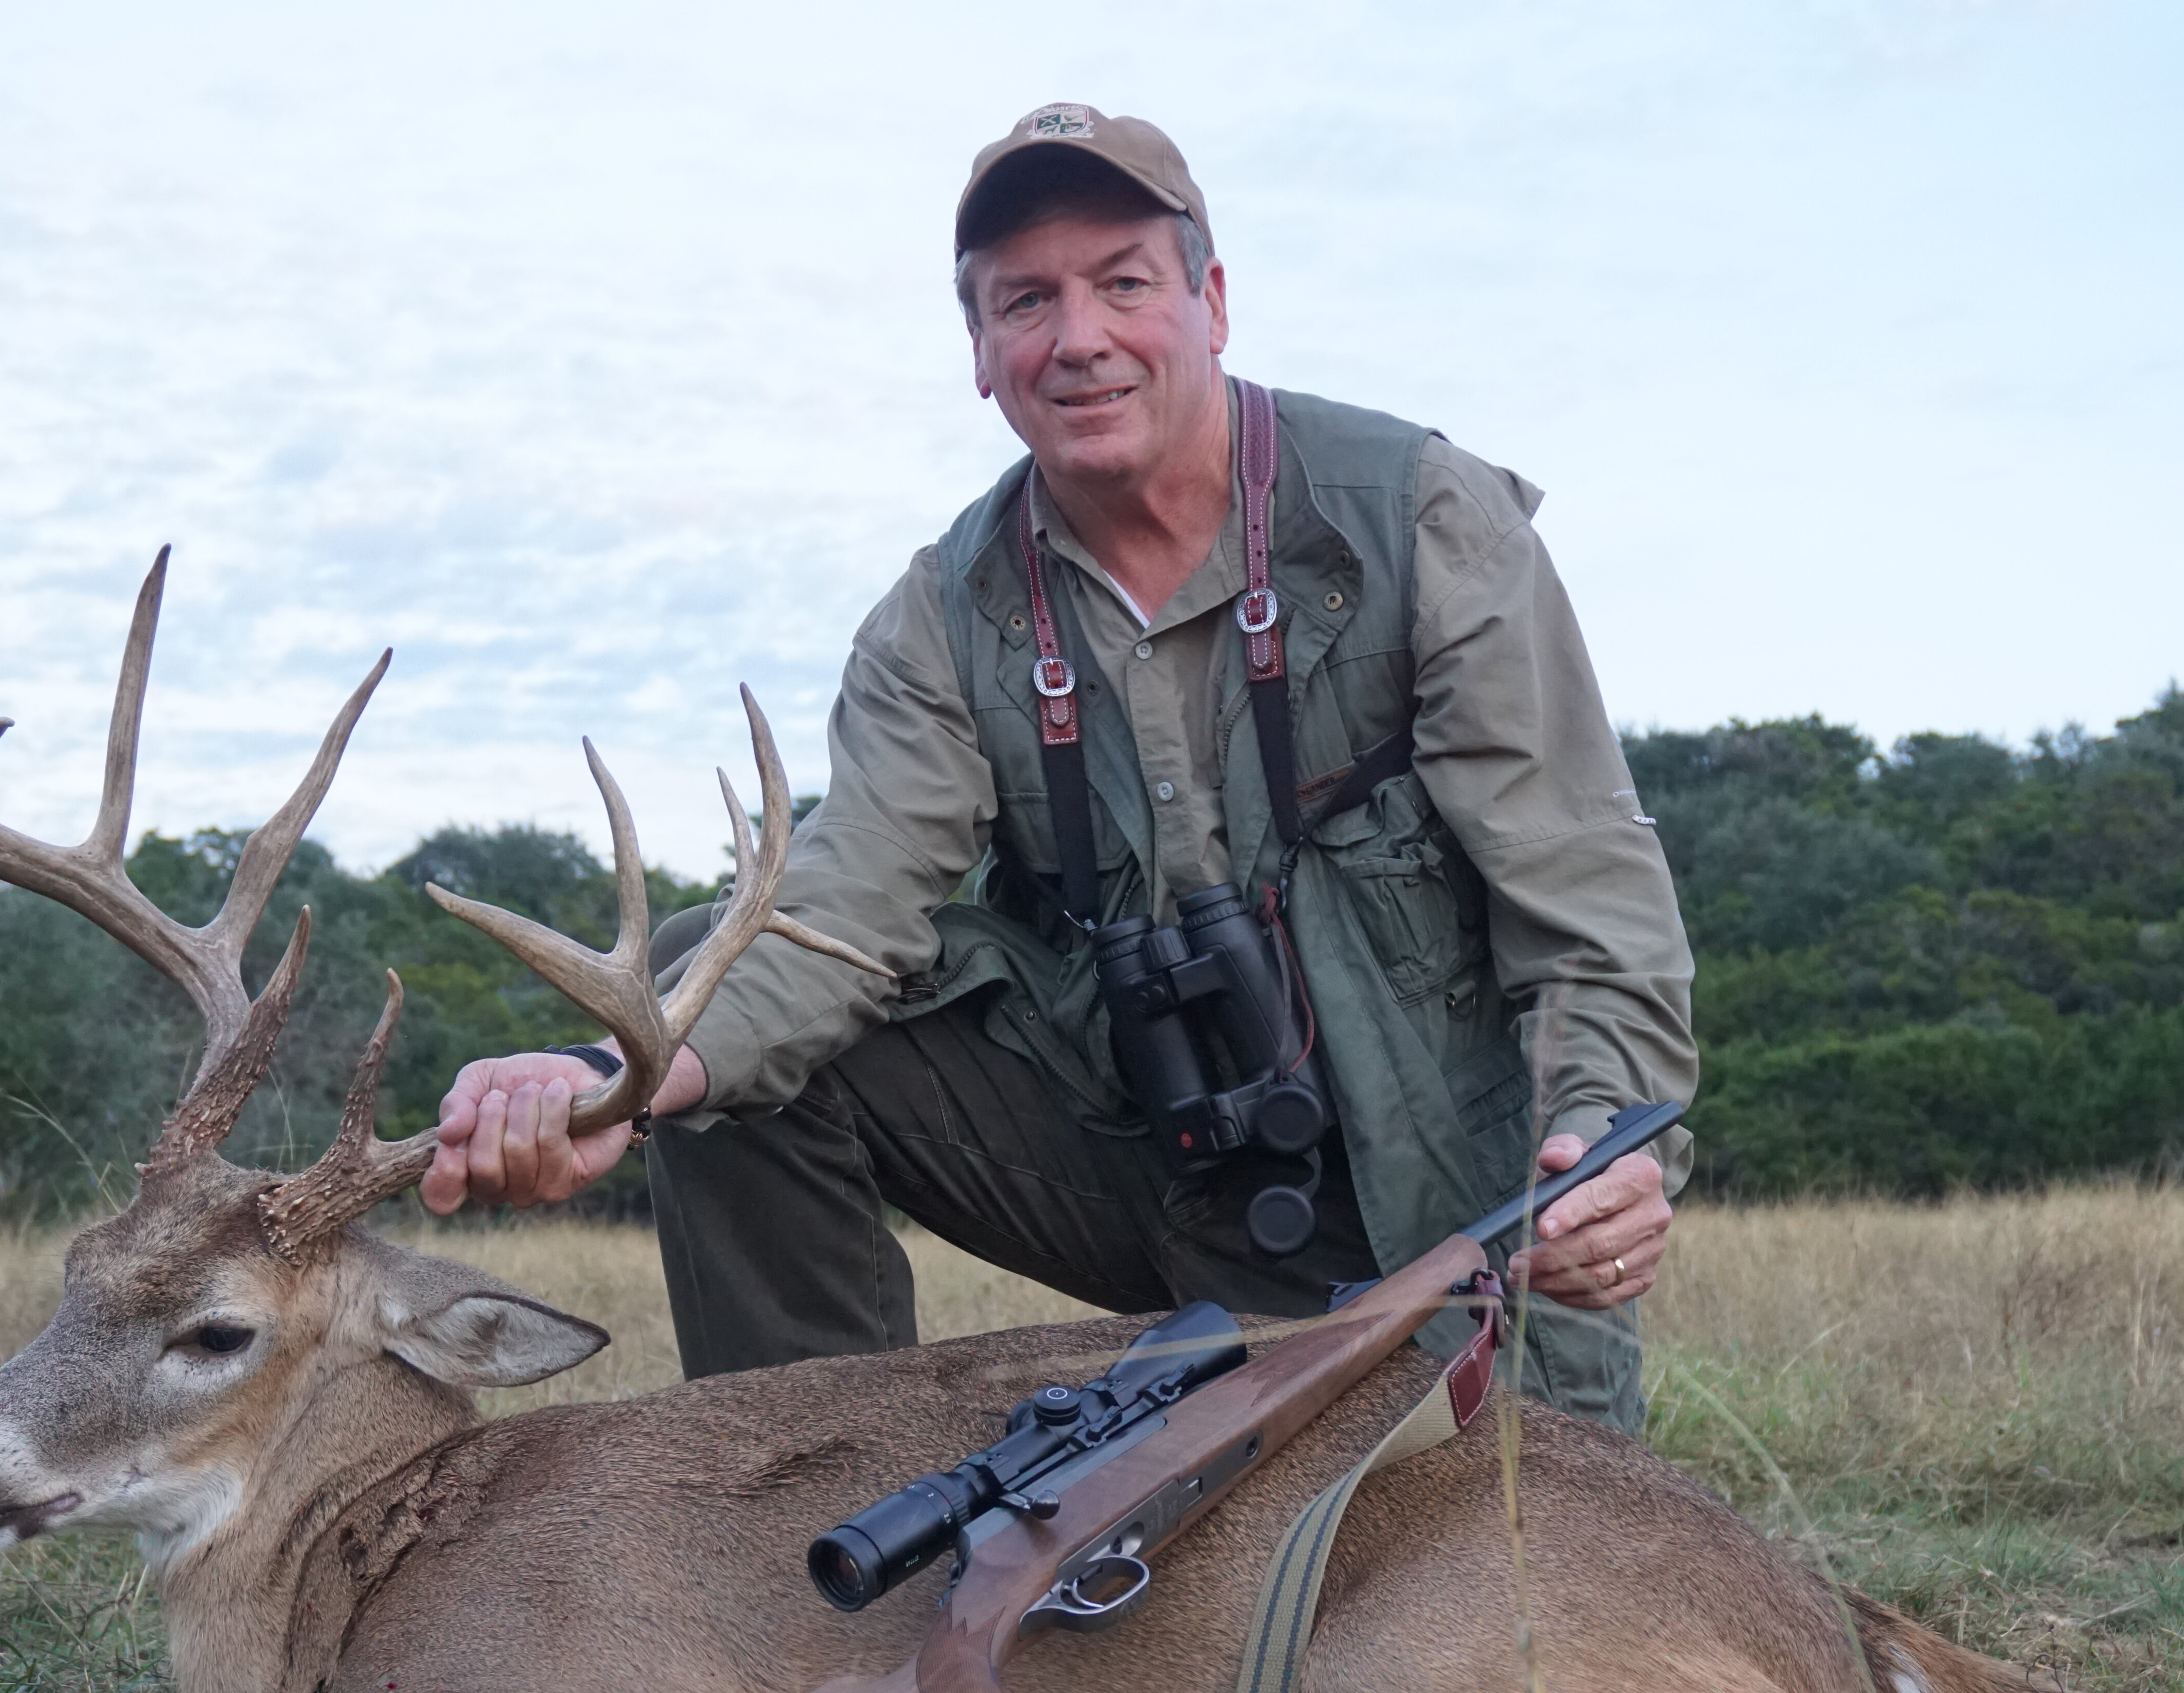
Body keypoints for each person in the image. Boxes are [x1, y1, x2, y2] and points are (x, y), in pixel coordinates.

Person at [422, 104, 1697, 1431]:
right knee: (708, 987)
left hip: (1453, 1197)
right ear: (980, 353)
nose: (1079, 338)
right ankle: (798, 1507)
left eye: (1124, 284)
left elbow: (1588, 900)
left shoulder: (1422, 516)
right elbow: (846, 909)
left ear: (1211, 300)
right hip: (1158, 1165)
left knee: (1512, 1593)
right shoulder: (941, 612)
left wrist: (1604, 1154)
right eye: (1024, 301)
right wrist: (609, 1071)